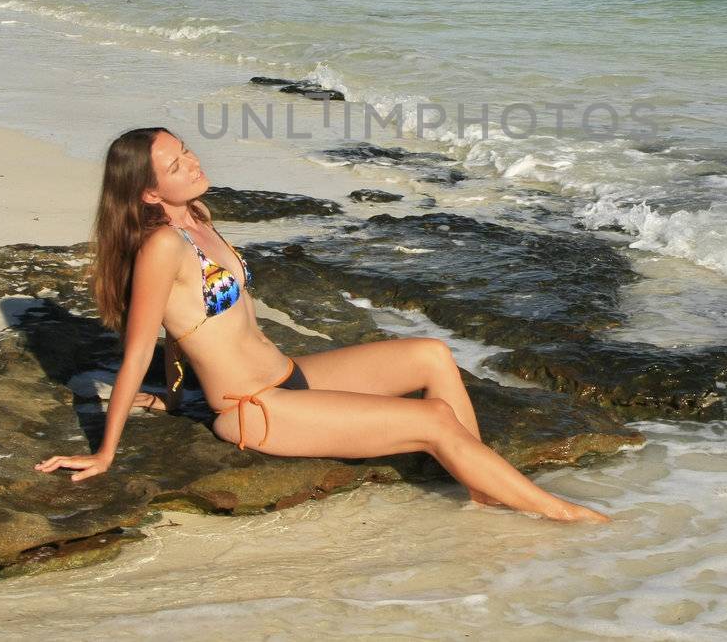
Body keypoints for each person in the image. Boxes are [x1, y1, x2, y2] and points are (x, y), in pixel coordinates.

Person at [34, 126, 610, 523]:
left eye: (186, 150)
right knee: (432, 418)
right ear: (149, 192)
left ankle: (484, 489)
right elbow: (138, 349)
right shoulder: (161, 245)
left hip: (288, 376)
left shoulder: (198, 218)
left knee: (432, 354)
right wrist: (107, 451)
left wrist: (175, 396)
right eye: (176, 164)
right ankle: (562, 513)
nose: (193, 162)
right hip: (254, 410)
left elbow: (186, 333)